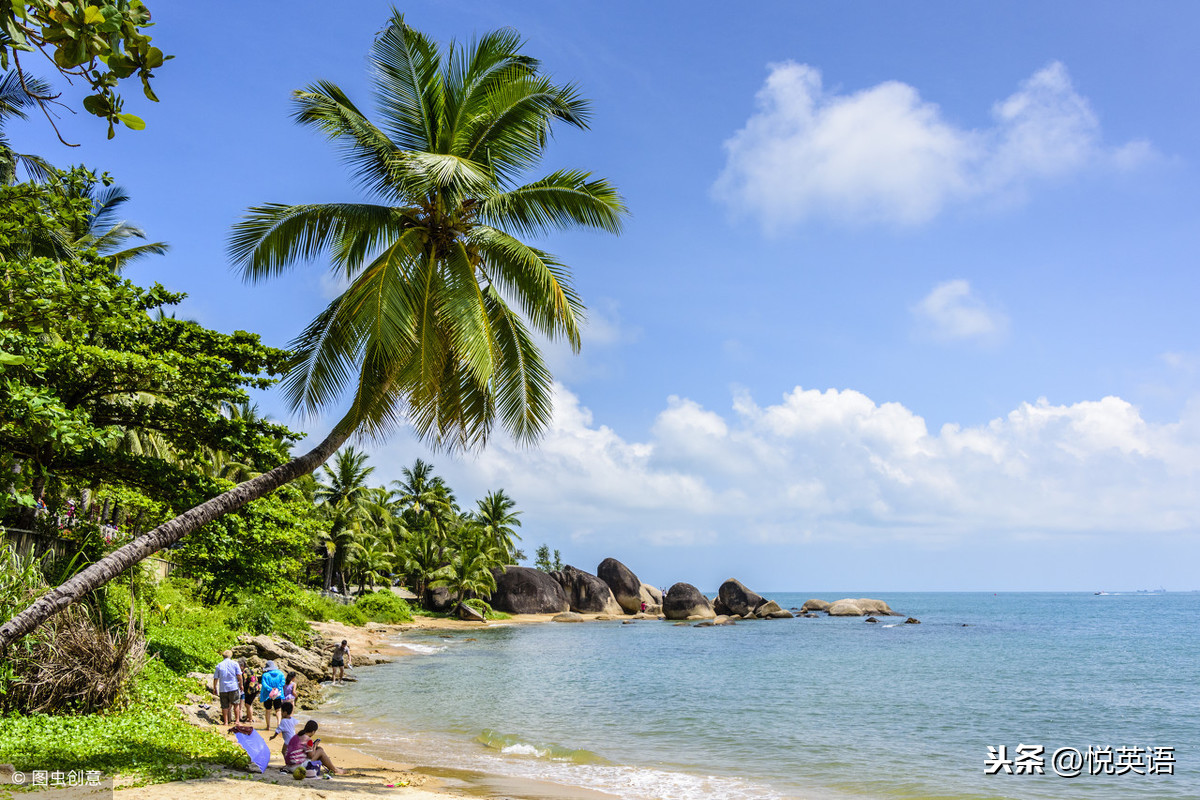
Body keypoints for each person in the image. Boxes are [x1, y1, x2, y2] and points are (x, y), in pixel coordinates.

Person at [211, 650, 243, 726]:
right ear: (230, 656)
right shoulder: (235, 664)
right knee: (236, 704)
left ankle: (225, 722)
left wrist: (214, 688)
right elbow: (239, 675)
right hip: (233, 686)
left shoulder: (219, 665)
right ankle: (237, 721)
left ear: (223, 656)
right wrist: (241, 684)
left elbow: (215, 678)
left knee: (224, 706)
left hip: (223, 687)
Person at [259, 660, 287, 732]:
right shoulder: (280, 673)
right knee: (278, 709)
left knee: (268, 710)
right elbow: (283, 682)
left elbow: (264, 684)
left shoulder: (265, 675)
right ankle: (278, 725)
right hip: (277, 694)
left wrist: (270, 689)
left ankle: (268, 726)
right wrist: (277, 688)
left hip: (267, 694)